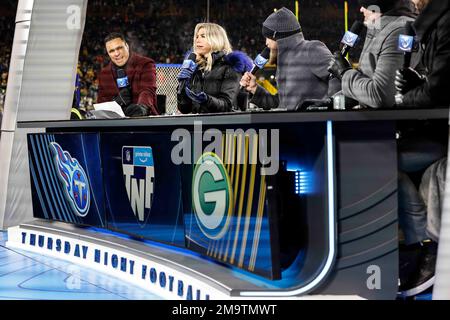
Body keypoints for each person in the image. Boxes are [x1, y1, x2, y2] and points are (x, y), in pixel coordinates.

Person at [393, 0, 450, 297]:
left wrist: (404, 100)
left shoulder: (444, 21)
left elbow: (439, 89)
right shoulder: (430, 25)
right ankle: (419, 244)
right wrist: (415, 81)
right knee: (387, 159)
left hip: (441, 135)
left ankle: (423, 247)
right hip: (435, 130)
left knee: (388, 161)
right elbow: (434, 81)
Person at [239, 7, 339, 111]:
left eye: (268, 37)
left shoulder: (311, 49)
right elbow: (281, 106)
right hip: (291, 125)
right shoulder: (284, 63)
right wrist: (255, 89)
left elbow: (339, 76)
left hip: (314, 124)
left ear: (278, 37)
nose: (266, 43)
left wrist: (328, 105)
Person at [328, 0, 416, 109]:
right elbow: (364, 89)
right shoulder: (380, 29)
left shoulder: (399, 31)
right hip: (374, 122)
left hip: (391, 124)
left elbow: (380, 96)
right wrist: (332, 101)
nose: (361, 9)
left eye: (364, 5)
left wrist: (344, 73)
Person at [177, 23, 252, 114]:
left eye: (203, 36)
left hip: (222, 126)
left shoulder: (230, 66)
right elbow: (184, 109)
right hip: (197, 125)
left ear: (216, 39)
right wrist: (182, 88)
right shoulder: (195, 68)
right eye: (196, 36)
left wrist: (206, 100)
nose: (197, 40)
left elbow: (227, 105)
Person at [97, 33, 158, 117]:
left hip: (143, 120)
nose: (116, 53)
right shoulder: (104, 74)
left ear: (127, 46)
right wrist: (116, 103)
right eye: (111, 51)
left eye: (119, 48)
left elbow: (147, 90)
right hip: (116, 125)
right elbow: (102, 104)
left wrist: (142, 107)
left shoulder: (145, 64)